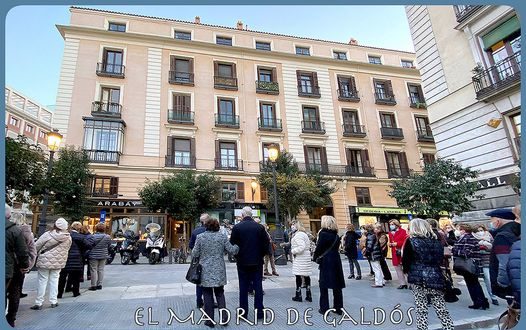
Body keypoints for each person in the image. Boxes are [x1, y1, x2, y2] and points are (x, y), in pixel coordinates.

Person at [402, 218, 454, 330]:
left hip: (418, 278)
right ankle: (448, 327)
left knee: (421, 309)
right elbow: (440, 258)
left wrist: (407, 273)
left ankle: (422, 328)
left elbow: (406, 261)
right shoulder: (436, 241)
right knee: (441, 308)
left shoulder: (411, 241)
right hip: (435, 276)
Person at [192, 218, 239, 328]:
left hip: (205, 270)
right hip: (219, 269)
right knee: (220, 293)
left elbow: (195, 253)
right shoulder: (222, 237)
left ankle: (209, 320)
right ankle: (224, 318)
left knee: (207, 295)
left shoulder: (200, 237)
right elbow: (232, 250)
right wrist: (237, 246)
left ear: (206, 226)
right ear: (217, 227)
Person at [230, 206, 269, 319]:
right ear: (252, 215)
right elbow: (265, 245)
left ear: (242, 215)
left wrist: (238, 256)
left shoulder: (237, 228)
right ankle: (260, 312)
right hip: (257, 261)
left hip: (242, 261)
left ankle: (243, 313)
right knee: (258, 286)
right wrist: (260, 255)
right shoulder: (259, 227)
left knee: (243, 287)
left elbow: (233, 245)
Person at [31, 218, 72, 310]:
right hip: (59, 262)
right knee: (54, 280)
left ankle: (39, 302)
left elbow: (36, 246)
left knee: (42, 281)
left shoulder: (48, 234)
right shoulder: (68, 237)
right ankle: (53, 300)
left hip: (44, 260)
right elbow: (67, 249)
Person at [312, 215, 345, 315]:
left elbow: (319, 248)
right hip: (336, 259)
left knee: (324, 284)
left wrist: (315, 257)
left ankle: (324, 308)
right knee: (337, 285)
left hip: (326, 260)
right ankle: (338, 308)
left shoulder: (323, 233)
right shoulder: (336, 234)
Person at [452, 223, 489, 309]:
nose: (458, 231)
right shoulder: (465, 238)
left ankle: (479, 301)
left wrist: (454, 250)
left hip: (470, 264)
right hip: (469, 264)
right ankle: (481, 301)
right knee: (473, 283)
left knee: (473, 283)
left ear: (463, 230)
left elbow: (466, 253)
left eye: (459, 229)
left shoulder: (468, 238)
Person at [487, 208, 520, 301]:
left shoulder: (502, 236)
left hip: (511, 286)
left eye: (491, 220)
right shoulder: (517, 230)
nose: (491, 223)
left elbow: (504, 264)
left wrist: (502, 284)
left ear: (498, 220)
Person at [5, 204, 30, 327]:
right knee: (14, 292)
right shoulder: (15, 230)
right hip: (12, 267)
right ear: (8, 215)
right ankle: (10, 319)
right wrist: (25, 265)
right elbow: (23, 251)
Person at [58, 221, 91, 298]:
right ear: (79, 229)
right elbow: (88, 245)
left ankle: (59, 293)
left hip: (64, 258)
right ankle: (76, 292)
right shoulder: (80, 237)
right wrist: (82, 251)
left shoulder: (65, 236)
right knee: (75, 276)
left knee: (62, 277)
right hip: (77, 258)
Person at [11, 212, 37, 299]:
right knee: (16, 286)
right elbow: (31, 248)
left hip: (9, 260)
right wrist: (29, 264)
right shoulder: (26, 231)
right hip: (20, 261)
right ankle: (12, 309)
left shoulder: (7, 229)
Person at [473, 224, 498, 305]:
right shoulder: (473, 238)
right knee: (486, 279)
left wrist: (486, 247)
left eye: (481, 230)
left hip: (489, 261)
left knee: (490, 279)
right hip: (480, 262)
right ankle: (490, 297)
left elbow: (494, 247)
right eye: (478, 231)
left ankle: (493, 296)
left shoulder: (489, 236)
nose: (480, 232)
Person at [189, 213, 209, 308]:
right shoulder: (211, 231)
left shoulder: (195, 231)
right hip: (209, 259)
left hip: (198, 259)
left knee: (199, 279)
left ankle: (199, 301)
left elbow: (191, 245)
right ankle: (209, 302)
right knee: (209, 280)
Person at [290, 221, 313, 302]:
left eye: (293, 225)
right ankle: (308, 295)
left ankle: (298, 295)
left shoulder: (298, 235)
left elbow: (301, 246)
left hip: (300, 258)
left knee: (298, 276)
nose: (292, 226)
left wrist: (293, 251)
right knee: (306, 276)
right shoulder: (304, 234)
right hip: (305, 257)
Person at [87, 223, 112, 291]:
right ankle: (99, 284)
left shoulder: (92, 236)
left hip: (93, 255)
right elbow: (109, 246)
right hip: (103, 255)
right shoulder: (107, 237)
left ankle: (93, 285)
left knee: (93, 270)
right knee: (101, 269)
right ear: (104, 229)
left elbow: (89, 245)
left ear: (96, 228)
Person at [388, 219, 408, 289]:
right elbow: (390, 241)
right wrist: (390, 244)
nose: (391, 226)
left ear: (397, 225)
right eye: (390, 224)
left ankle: (410, 283)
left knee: (406, 269)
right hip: (395, 252)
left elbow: (405, 241)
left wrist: (397, 243)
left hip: (402, 252)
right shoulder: (390, 233)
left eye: (392, 224)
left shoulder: (403, 231)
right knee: (398, 268)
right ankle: (402, 283)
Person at [367, 223, 385, 288]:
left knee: (376, 269)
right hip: (377, 253)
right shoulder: (375, 235)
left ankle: (378, 283)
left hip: (373, 254)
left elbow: (369, 246)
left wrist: (367, 252)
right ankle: (382, 281)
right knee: (378, 268)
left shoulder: (370, 235)